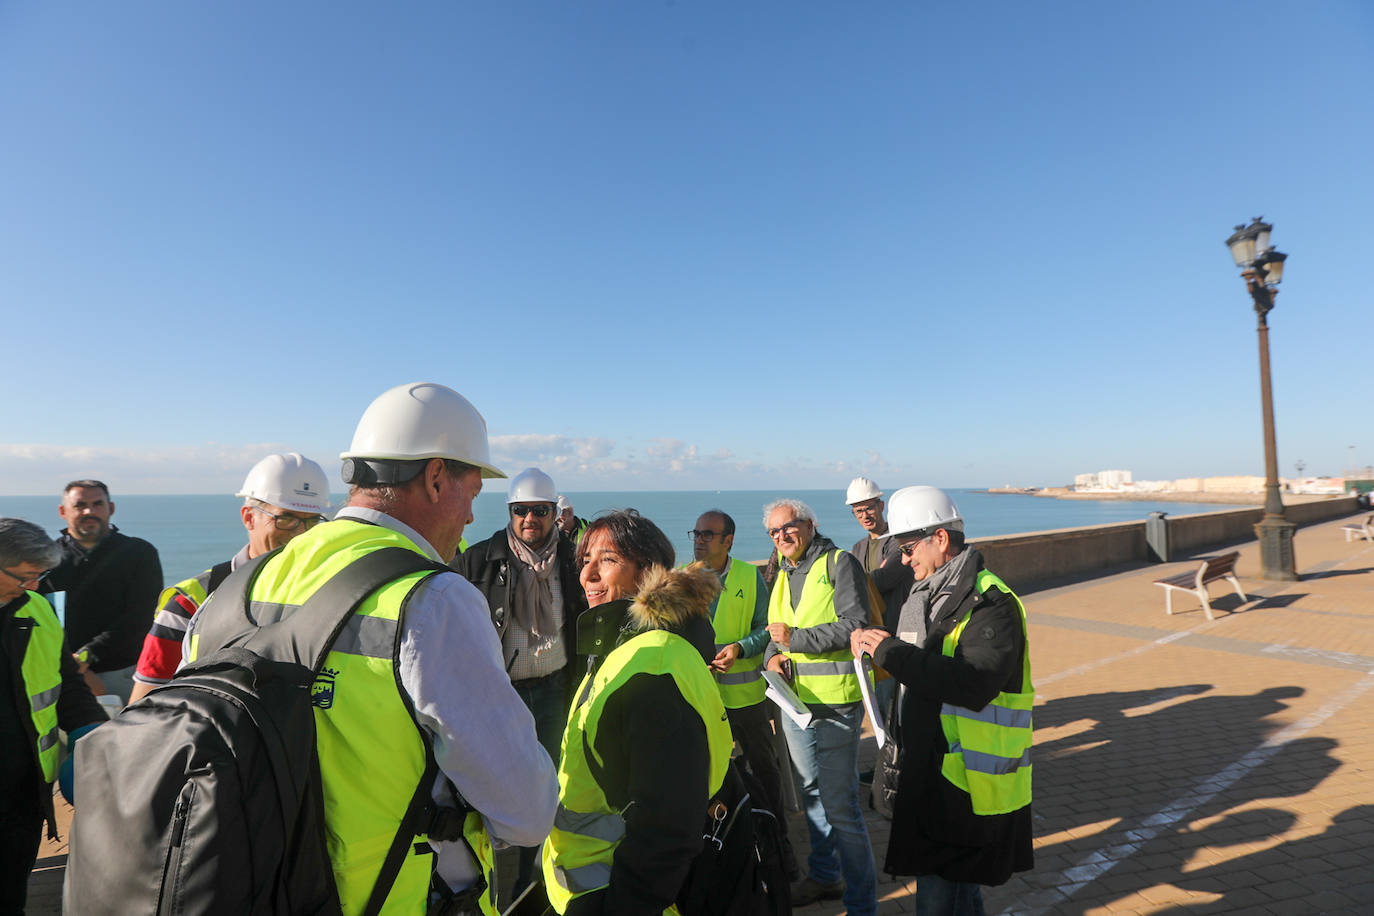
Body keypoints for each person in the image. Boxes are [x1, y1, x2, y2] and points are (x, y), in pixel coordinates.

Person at [183, 382, 558, 914]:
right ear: (434, 477)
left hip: (240, 888)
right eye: (472, 493)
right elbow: (526, 810)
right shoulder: (433, 598)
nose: (472, 517)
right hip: (387, 898)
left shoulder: (235, 588)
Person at [850, 486, 1034, 915]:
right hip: (931, 772)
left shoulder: (991, 602)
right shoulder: (926, 595)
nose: (903, 559)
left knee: (938, 896)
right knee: (960, 891)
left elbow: (973, 683)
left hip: (968, 781)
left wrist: (890, 652)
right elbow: (922, 667)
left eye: (909, 548)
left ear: (941, 539)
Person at [543, 510, 733, 915]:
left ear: (649, 573)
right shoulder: (625, 647)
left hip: (614, 892)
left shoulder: (654, 664)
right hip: (588, 885)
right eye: (584, 560)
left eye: (608, 560)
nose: (588, 575)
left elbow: (667, 831)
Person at [455, 466, 587, 892]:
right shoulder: (477, 561)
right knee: (495, 787)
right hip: (500, 694)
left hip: (554, 691)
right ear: (510, 512)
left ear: (554, 513)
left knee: (547, 784)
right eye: (521, 510)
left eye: (540, 510)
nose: (530, 518)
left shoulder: (573, 561)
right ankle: (495, 877)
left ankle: (537, 879)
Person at [127, 453, 331, 704]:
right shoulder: (191, 601)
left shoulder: (329, 593)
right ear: (249, 517)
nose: (301, 534)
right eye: (286, 518)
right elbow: (144, 703)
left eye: (312, 521)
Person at [762, 498, 878, 915]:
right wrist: (772, 657)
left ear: (809, 525)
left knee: (840, 805)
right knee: (811, 795)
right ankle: (826, 876)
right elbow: (774, 634)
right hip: (796, 707)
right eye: (774, 532)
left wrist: (796, 641)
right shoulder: (781, 571)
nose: (781, 537)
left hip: (835, 707)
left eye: (788, 527)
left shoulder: (838, 563)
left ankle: (863, 904)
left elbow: (855, 624)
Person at [1, 518, 106, 914]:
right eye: (25, 576)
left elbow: (67, 685)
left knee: (11, 890)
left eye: (41, 575)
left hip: (24, 792)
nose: (34, 585)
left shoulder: (40, 611)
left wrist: (93, 734)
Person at [689, 509, 797, 877]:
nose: (699, 539)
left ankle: (779, 844)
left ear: (728, 540)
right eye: (697, 533)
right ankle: (721, 848)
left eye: (708, 534)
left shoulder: (750, 577)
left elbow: (765, 629)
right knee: (709, 776)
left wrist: (739, 647)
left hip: (746, 699)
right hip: (702, 699)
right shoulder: (683, 580)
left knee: (766, 772)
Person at [40, 480, 162, 703]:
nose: (89, 511)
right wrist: (75, 668)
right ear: (62, 511)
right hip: (60, 672)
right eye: (80, 505)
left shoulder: (139, 553)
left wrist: (87, 656)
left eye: (97, 504)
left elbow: (141, 616)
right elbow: (38, 618)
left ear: (111, 509)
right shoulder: (46, 558)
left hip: (124, 673)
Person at [845, 476, 914, 624]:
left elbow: (885, 579)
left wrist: (859, 580)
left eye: (869, 508)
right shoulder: (858, 547)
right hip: (872, 625)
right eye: (858, 511)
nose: (865, 516)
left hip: (899, 623)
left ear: (881, 506)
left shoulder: (899, 539)